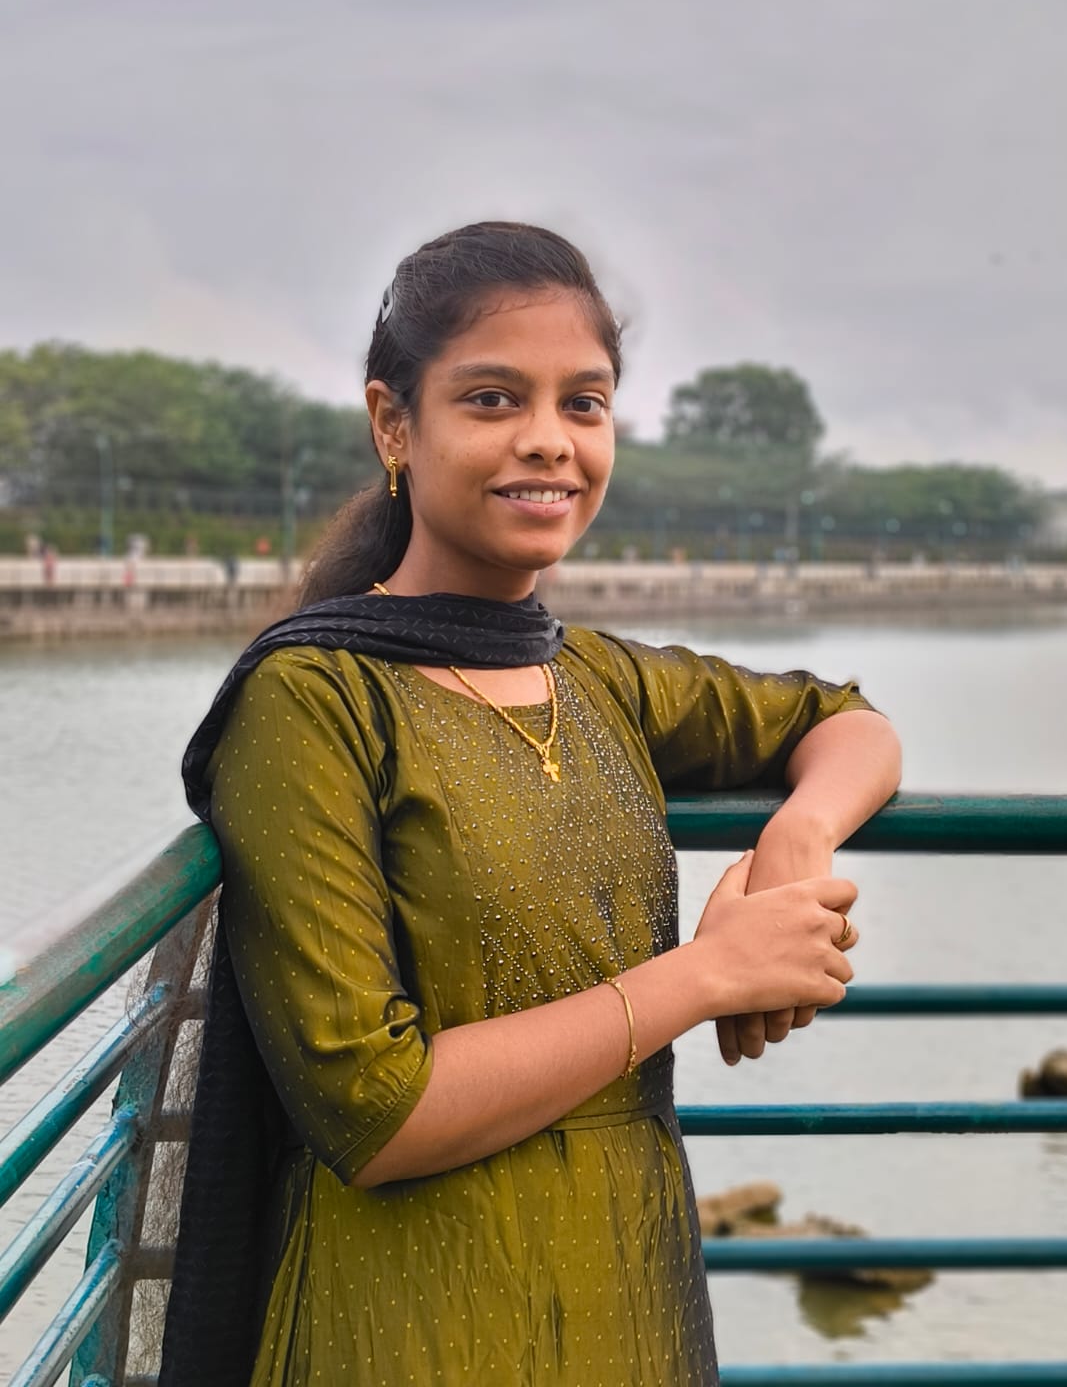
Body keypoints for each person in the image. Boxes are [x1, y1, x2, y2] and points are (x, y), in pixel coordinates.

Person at [160, 222, 901, 1386]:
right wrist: (709, 973)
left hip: (626, 1287)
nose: (550, 439)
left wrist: (795, 842)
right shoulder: (313, 700)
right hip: (408, 1314)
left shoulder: (593, 678)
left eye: (583, 403)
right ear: (393, 423)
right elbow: (372, 1110)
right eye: (494, 399)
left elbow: (847, 721)